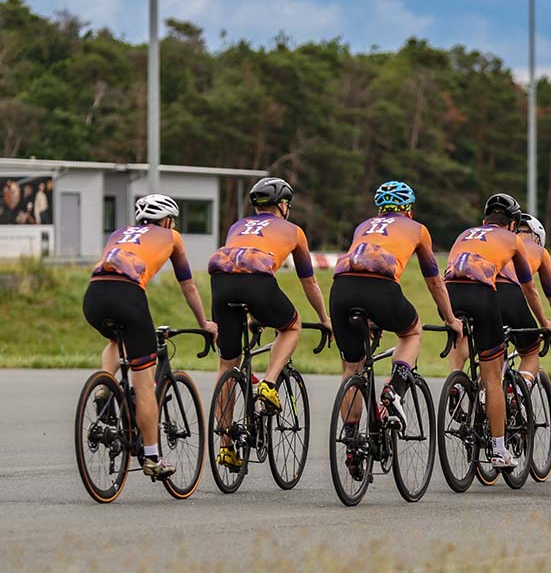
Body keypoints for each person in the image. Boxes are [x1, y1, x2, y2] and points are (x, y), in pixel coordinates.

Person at [330, 180, 461, 473]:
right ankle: (395, 388)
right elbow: (434, 281)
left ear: (380, 209)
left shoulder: (363, 226)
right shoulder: (418, 229)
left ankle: (352, 443)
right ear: (408, 209)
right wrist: (451, 319)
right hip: (381, 287)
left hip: (341, 289)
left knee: (351, 368)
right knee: (412, 331)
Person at [83, 194, 217, 479]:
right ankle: (153, 458)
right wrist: (204, 322)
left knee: (115, 340)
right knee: (144, 381)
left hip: (93, 296)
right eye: (173, 221)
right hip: (128, 296)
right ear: (166, 220)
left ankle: (104, 386)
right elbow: (188, 286)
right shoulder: (172, 237)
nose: (173, 225)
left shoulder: (119, 233)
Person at [208, 177, 331, 470]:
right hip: (258, 282)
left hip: (221, 284)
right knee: (291, 326)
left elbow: (238, 268)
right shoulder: (294, 231)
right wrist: (324, 318)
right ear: (283, 205)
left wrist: (253, 314)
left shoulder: (236, 226)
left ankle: (226, 446)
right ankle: (269, 383)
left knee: (228, 363)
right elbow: (309, 282)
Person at [443, 193, 544, 469]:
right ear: (512, 225)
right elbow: (529, 287)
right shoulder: (513, 240)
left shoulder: (465, 234)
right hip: (483, 294)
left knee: (464, 337)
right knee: (492, 377)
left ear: (485, 220)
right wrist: (544, 322)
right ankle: (499, 450)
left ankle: (457, 382)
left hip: (450, 294)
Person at [495, 213, 551, 387]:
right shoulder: (539, 251)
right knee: (530, 352)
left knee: (490, 358)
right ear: (537, 238)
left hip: (483, 293)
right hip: (510, 297)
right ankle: (518, 391)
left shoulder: (500, 244)